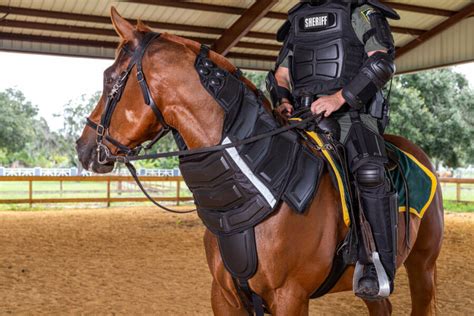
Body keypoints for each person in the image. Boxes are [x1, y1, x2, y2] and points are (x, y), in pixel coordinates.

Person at [267, 0, 400, 300]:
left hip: (351, 115)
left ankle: (377, 264)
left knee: (369, 171)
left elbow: (381, 61)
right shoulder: (296, 20)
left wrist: (339, 98)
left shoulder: (360, 12)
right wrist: (283, 100)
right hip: (302, 116)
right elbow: (280, 75)